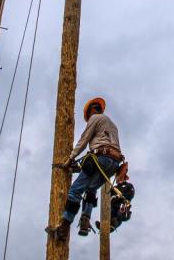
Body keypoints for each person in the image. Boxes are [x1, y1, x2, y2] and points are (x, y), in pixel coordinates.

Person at [46, 96, 125, 241]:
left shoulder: (95, 118)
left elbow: (84, 140)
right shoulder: (113, 125)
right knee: (91, 190)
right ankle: (85, 219)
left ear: (90, 112)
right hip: (113, 164)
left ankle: (63, 228)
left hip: (101, 158)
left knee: (75, 191)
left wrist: (70, 159)